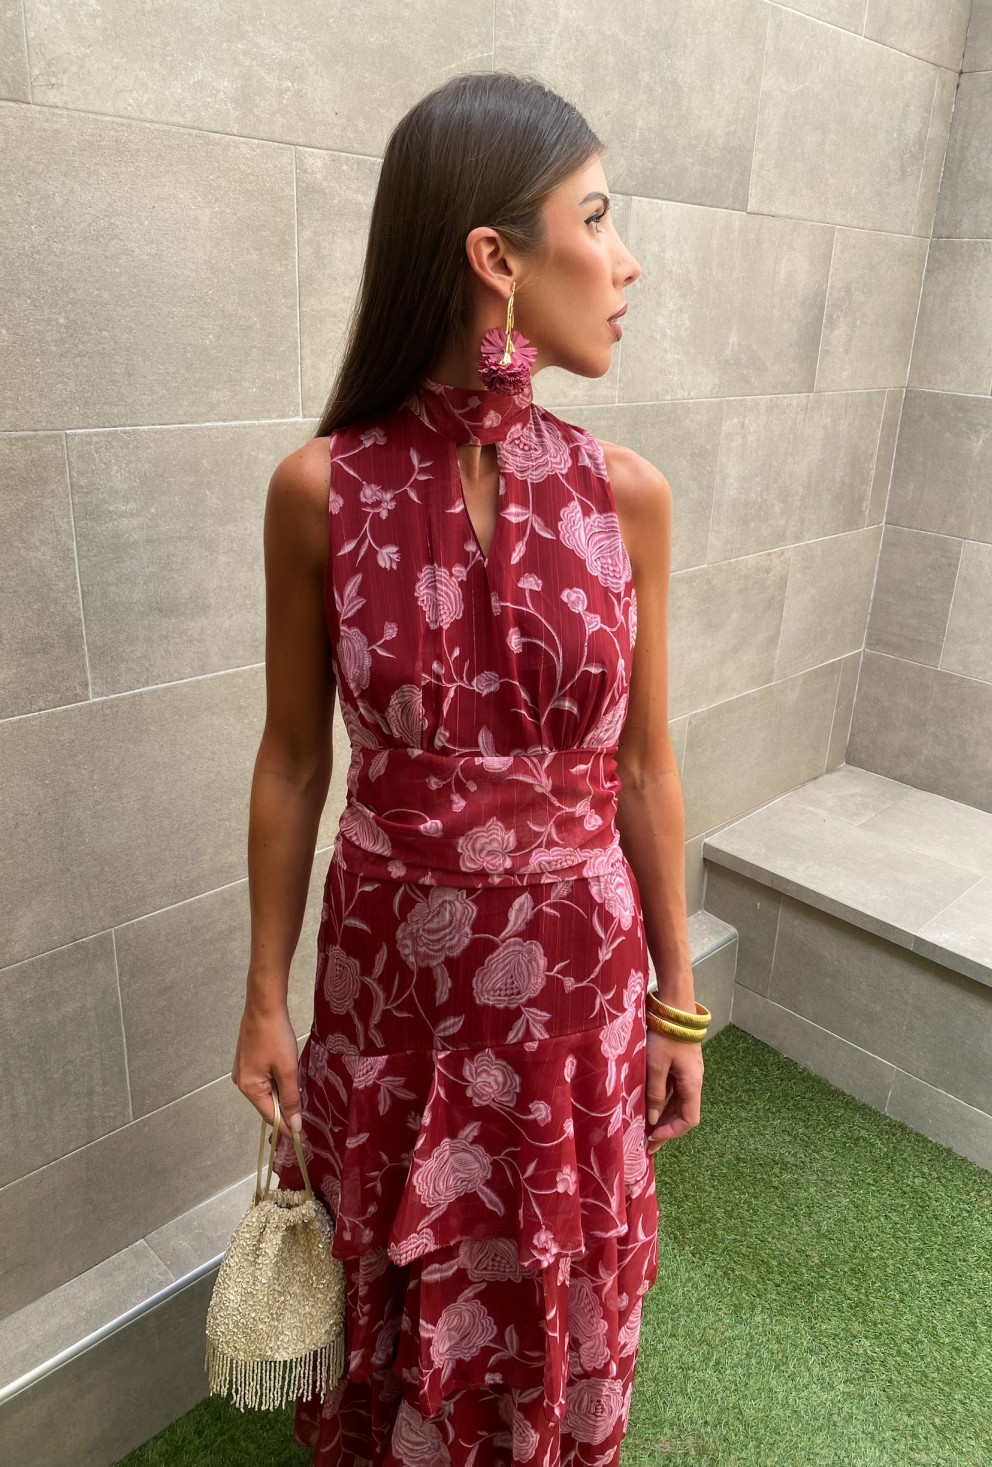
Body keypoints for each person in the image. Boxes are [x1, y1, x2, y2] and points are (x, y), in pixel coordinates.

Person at [231, 69, 706, 1467]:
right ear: (496, 258)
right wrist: (263, 996)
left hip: (579, 977)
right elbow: (292, 763)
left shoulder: (628, 497)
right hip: (394, 987)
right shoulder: (321, 493)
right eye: (596, 220)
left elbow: (646, 770)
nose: (624, 262)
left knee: (561, 1268)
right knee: (395, 1272)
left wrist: (680, 1005)